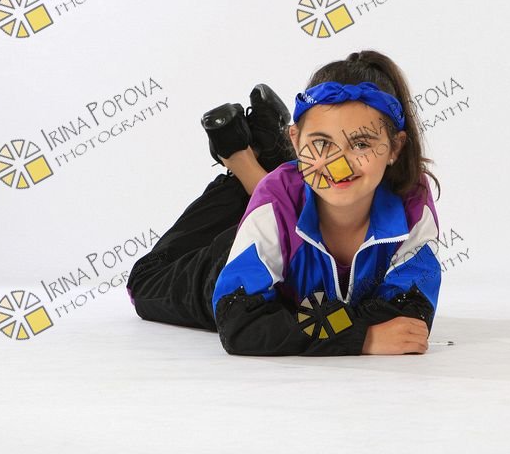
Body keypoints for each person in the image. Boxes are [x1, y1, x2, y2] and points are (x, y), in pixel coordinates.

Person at [126, 50, 442, 356]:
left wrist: (304, 324)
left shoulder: (411, 204)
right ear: (296, 140)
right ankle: (238, 159)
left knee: (282, 189)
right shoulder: (275, 202)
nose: (338, 164)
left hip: (286, 209)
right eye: (321, 143)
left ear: (395, 148)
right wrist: (363, 337)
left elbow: (408, 317)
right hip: (233, 260)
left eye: (360, 144)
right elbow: (242, 323)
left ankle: (263, 155)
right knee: (145, 280)